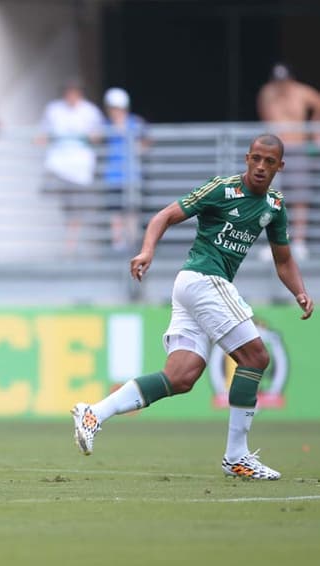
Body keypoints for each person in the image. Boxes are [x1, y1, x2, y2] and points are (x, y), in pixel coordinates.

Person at [71, 134, 314, 480]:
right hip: (203, 280)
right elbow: (164, 216)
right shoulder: (222, 189)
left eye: (269, 162)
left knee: (181, 377)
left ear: (280, 166)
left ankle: (93, 413)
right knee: (257, 357)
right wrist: (147, 251)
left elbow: (284, 259)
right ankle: (236, 457)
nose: (261, 167)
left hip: (194, 288)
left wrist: (299, 292)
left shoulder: (274, 206)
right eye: (256, 158)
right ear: (247, 158)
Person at [257, 63, 320, 260]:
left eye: (284, 82)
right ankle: (275, 241)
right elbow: (265, 116)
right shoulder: (267, 93)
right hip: (274, 151)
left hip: (297, 148)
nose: (281, 86)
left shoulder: (302, 92)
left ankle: (299, 242)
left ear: (291, 80)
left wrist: (315, 134)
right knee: (271, 198)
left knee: (299, 197)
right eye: (278, 82)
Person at [38, 78, 105, 255]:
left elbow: (99, 135)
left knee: (76, 209)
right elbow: (42, 134)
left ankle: (69, 245)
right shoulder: (54, 110)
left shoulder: (90, 111)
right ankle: (68, 243)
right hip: (57, 167)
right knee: (61, 205)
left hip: (79, 170)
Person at [102, 87, 147, 253]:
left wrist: (138, 148)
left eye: (117, 108)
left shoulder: (135, 122)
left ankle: (133, 244)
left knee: (132, 212)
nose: (114, 112)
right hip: (113, 176)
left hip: (132, 176)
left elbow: (146, 141)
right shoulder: (105, 124)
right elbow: (94, 137)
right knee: (115, 213)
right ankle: (118, 245)